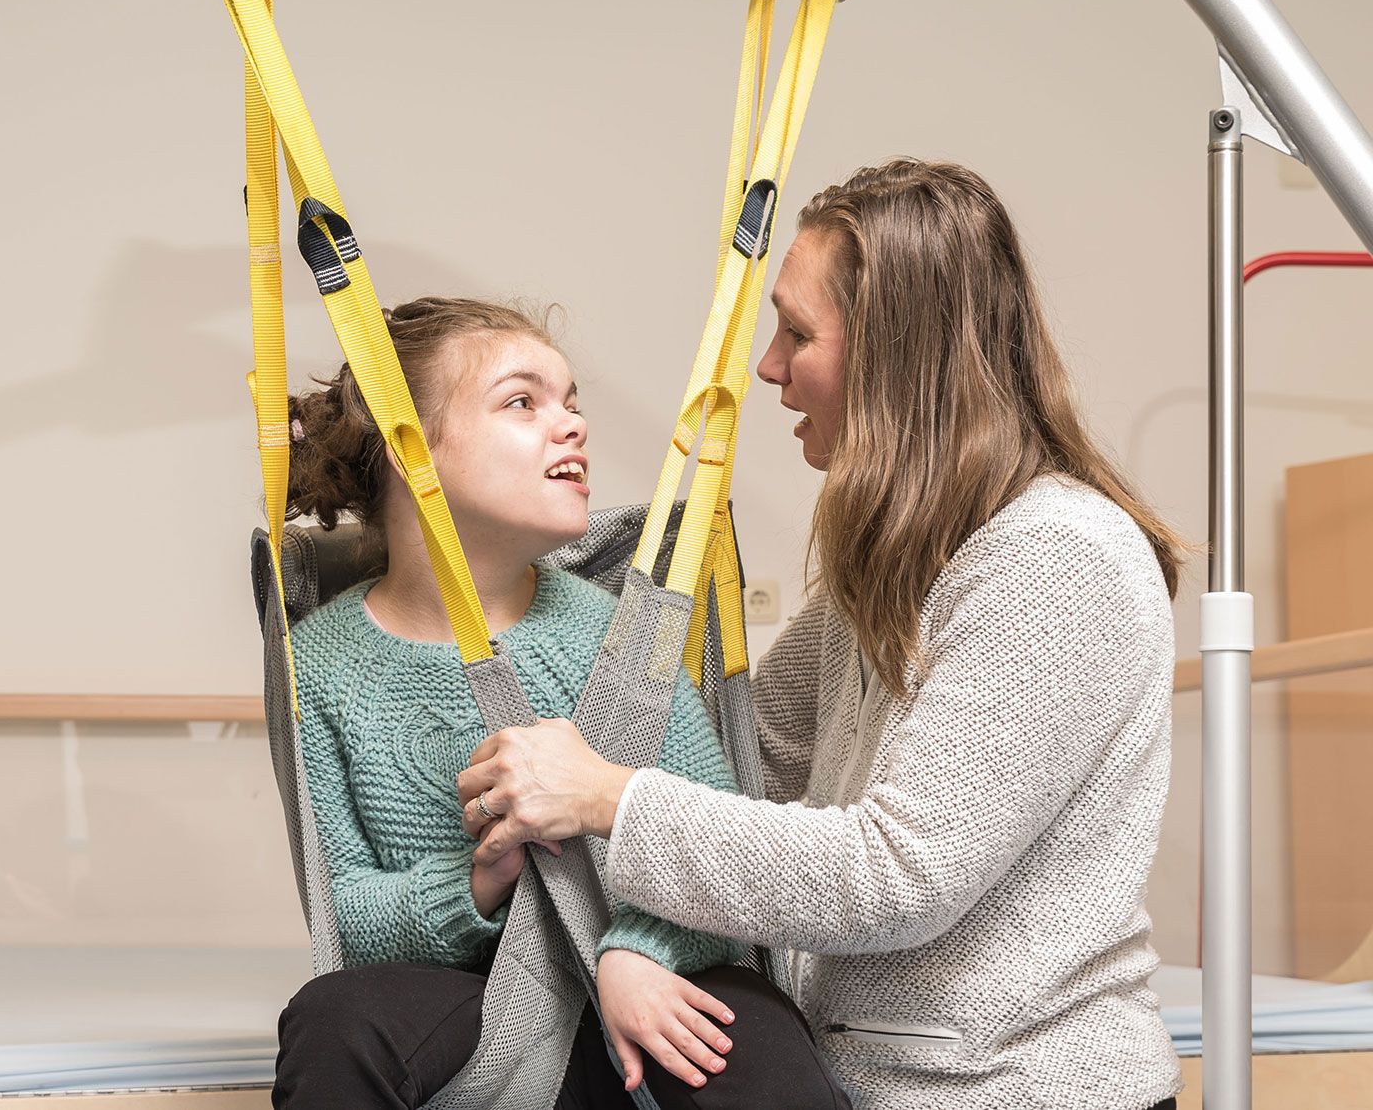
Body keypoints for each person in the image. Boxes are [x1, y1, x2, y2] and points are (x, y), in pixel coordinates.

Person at [458, 159, 1188, 1110]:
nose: (768, 366)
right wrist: (509, 590)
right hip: (863, 1080)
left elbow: (896, 876)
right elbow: (740, 755)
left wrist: (605, 798)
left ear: (898, 358)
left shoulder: (1057, 560)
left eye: (798, 334)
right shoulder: (894, 560)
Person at [272, 296, 850, 1109]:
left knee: (757, 1046)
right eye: (522, 402)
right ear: (410, 450)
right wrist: (477, 880)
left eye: (572, 403)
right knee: (331, 1021)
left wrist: (637, 952)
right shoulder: (321, 666)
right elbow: (348, 913)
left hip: (637, 991)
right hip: (466, 1012)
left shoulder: (624, 633)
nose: (571, 425)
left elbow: (724, 848)